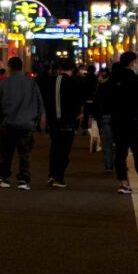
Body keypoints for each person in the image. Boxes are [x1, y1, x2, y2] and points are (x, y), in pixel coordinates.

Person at [0, 56, 44, 190]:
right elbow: (40, 104)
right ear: (22, 67)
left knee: (6, 152)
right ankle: (23, 180)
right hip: (27, 124)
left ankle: (4, 178)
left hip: (9, 123)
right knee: (25, 154)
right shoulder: (32, 84)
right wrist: (37, 121)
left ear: (9, 67)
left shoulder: (4, 83)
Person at [108, 52, 138, 194]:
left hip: (117, 121)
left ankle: (123, 183)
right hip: (133, 120)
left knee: (120, 152)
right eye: (135, 62)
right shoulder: (136, 80)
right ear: (131, 63)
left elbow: (105, 99)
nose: (137, 64)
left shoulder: (112, 79)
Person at [46, 59, 84, 188]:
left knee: (54, 148)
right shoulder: (74, 82)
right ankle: (59, 177)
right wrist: (77, 116)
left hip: (53, 122)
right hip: (68, 122)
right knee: (64, 151)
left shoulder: (51, 81)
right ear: (72, 69)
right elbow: (77, 102)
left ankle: (51, 174)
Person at [92, 68, 115, 173]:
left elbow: (96, 102)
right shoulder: (119, 85)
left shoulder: (101, 86)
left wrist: (95, 117)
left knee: (107, 143)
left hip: (105, 116)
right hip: (120, 117)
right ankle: (121, 164)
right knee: (121, 143)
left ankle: (108, 165)